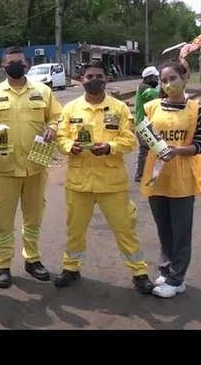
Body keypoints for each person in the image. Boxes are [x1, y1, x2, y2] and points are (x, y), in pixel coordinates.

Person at [54, 60, 154, 294]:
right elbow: (60, 138)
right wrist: (71, 146)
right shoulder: (70, 109)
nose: (94, 80)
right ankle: (71, 268)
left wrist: (109, 146)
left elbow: (129, 140)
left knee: (124, 229)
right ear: (81, 79)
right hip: (79, 183)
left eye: (98, 76)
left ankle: (139, 272)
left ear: (106, 79)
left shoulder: (119, 108)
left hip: (112, 183)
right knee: (74, 229)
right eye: (89, 76)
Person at [0, 46, 62, 289]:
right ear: (3, 66)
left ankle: (32, 260)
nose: (16, 66)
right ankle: (2, 264)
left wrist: (53, 127)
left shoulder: (43, 91)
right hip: (6, 167)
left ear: (27, 64)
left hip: (36, 165)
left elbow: (56, 116)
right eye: (11, 62)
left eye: (20, 62)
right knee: (2, 217)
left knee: (34, 216)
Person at [139, 61, 201, 298]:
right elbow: (143, 138)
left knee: (181, 231)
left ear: (184, 77)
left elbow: (199, 144)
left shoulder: (196, 109)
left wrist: (177, 150)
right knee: (164, 229)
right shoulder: (151, 107)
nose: (168, 84)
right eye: (164, 80)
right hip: (156, 177)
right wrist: (154, 146)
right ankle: (167, 270)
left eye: (172, 78)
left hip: (181, 177)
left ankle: (177, 279)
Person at [133, 66, 160, 182]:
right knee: (147, 149)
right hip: (143, 123)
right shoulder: (145, 89)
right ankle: (141, 175)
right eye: (155, 77)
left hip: (146, 123)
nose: (157, 79)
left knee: (150, 149)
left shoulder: (147, 86)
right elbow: (158, 95)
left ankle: (144, 174)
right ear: (149, 78)